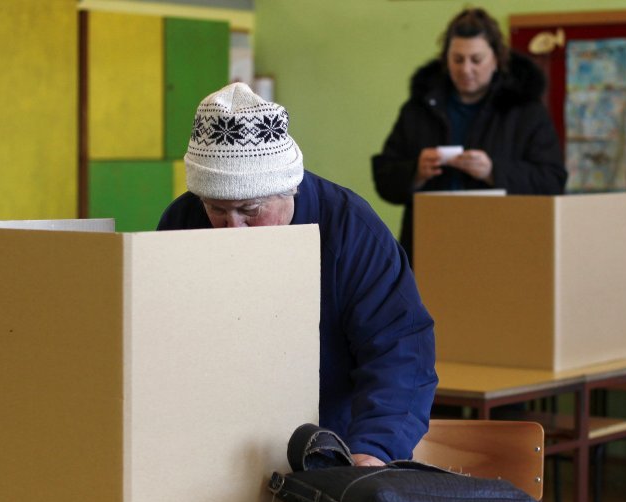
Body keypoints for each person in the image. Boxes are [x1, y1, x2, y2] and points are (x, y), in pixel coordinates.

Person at [158, 82, 438, 466]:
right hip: (211, 447)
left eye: (250, 210)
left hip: (331, 448)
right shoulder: (182, 222)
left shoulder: (352, 230)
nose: (232, 228)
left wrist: (373, 451)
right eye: (217, 210)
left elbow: (400, 352)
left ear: (289, 187)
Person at [372, 7, 567, 265]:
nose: (466, 69)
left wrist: (493, 171)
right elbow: (385, 177)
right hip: (431, 246)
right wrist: (415, 172)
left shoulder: (526, 111)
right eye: (458, 59)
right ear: (446, 60)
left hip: (502, 248)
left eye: (476, 60)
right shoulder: (418, 108)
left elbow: (552, 181)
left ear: (496, 59)